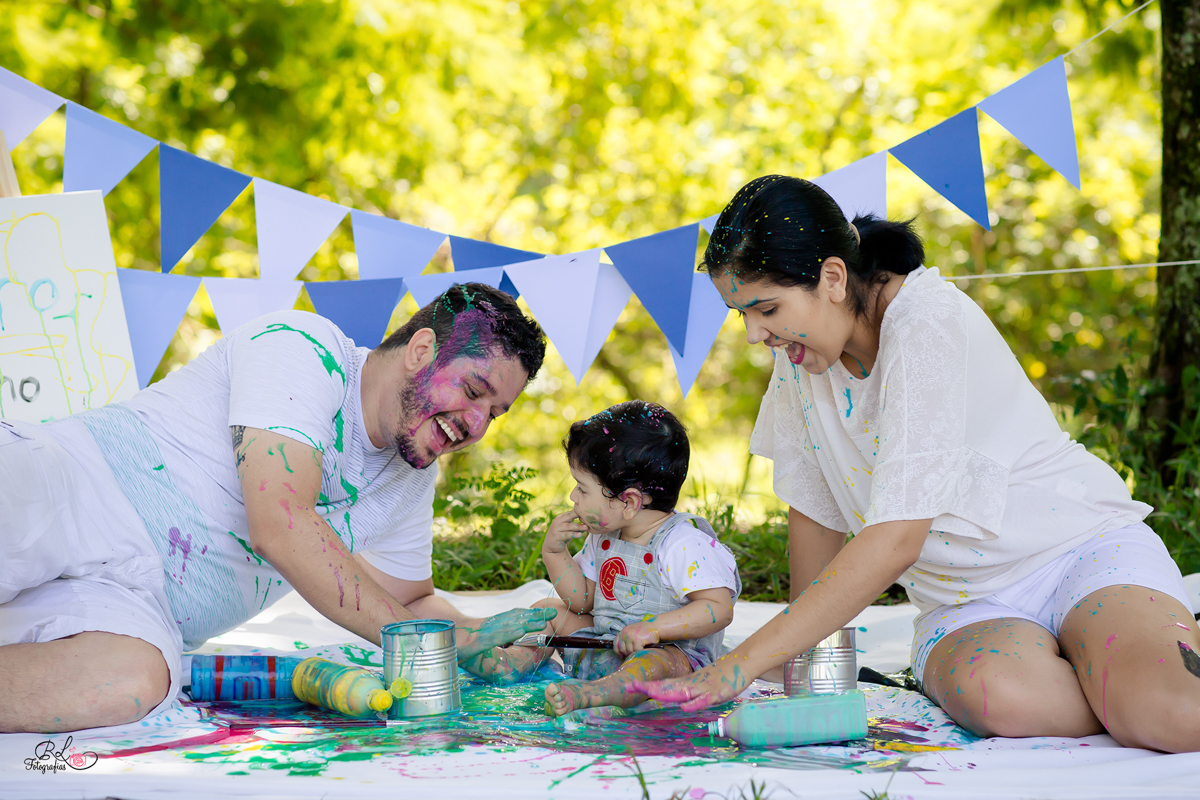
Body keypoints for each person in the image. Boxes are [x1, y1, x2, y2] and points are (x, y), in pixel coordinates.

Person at [638, 176, 1200, 753]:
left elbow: (897, 540)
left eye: (767, 309)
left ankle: (1132, 680)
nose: (756, 334)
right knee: (1006, 699)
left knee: (1173, 714)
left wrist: (740, 664)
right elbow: (816, 516)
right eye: (742, 315)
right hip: (964, 604)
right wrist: (795, 671)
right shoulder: (799, 358)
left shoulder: (925, 320)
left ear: (832, 277)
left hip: (1078, 554)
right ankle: (1116, 683)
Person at [0, 282, 556, 733]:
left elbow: (408, 602)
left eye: (495, 413)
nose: (476, 424)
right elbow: (281, 523)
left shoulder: (411, 479)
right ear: (421, 351)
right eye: (474, 391)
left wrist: (484, 641)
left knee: (132, 682)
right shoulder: (306, 347)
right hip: (75, 491)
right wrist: (442, 644)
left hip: (133, 606)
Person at [467, 401, 741, 717]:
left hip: (670, 659)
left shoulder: (682, 543)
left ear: (629, 502)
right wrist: (554, 553)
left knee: (653, 662)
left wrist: (654, 629)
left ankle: (595, 694)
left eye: (582, 489)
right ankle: (511, 662)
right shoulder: (605, 536)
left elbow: (718, 609)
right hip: (605, 643)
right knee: (547, 611)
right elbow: (583, 602)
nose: (573, 497)